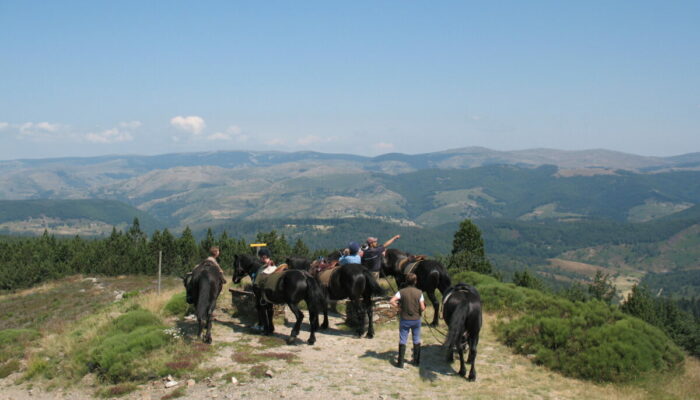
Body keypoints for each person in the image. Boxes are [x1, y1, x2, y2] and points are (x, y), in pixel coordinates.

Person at [389, 272, 425, 368]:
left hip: (404, 319)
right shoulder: (419, 292)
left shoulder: (401, 291)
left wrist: (399, 307)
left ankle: (400, 363)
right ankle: (416, 362)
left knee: (403, 339)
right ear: (415, 281)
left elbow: (392, 301)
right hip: (416, 319)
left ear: (406, 281)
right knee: (416, 339)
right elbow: (422, 308)